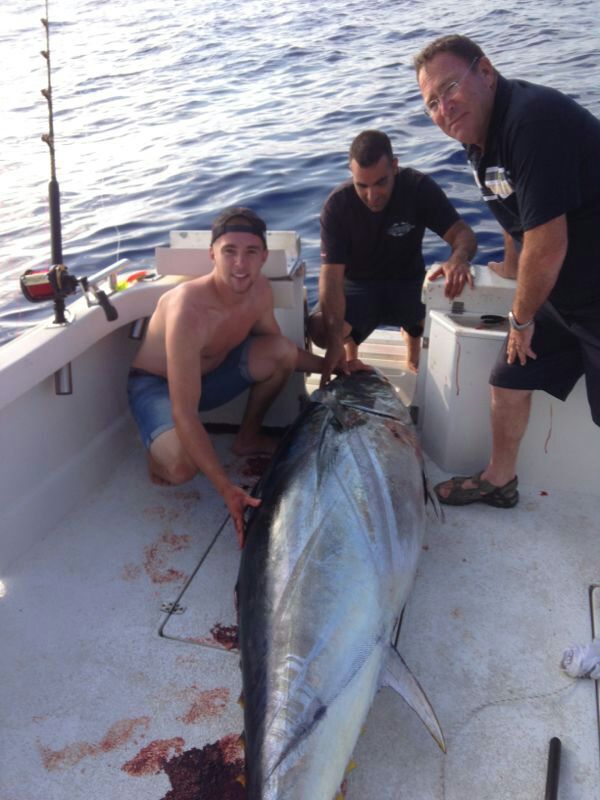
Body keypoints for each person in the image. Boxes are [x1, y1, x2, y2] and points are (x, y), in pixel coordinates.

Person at [414, 34, 600, 508]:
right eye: (431, 103)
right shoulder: (479, 139)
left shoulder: (531, 121)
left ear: (486, 72)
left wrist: (519, 318)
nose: (443, 108)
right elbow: (513, 208)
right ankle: (499, 480)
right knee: (509, 379)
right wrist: (513, 268)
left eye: (449, 88)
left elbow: (548, 242)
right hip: (565, 294)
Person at [128, 207, 358, 546]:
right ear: (212, 254)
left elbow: (283, 351)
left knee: (279, 351)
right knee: (181, 468)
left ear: (263, 256)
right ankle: (158, 450)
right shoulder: (187, 310)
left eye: (251, 252)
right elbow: (184, 411)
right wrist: (227, 488)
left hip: (210, 379)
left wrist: (335, 366)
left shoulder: (260, 291)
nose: (240, 263)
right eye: (229, 251)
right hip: (157, 386)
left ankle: (247, 438)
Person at [309, 129, 477, 386]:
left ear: (395, 167)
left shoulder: (418, 187)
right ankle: (349, 352)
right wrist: (333, 342)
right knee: (319, 327)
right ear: (351, 173)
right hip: (358, 287)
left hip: (408, 283)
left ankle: (413, 336)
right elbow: (330, 277)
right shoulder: (337, 206)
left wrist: (458, 258)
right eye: (362, 186)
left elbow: (462, 234)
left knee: (451, 316)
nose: (372, 195)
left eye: (380, 183)